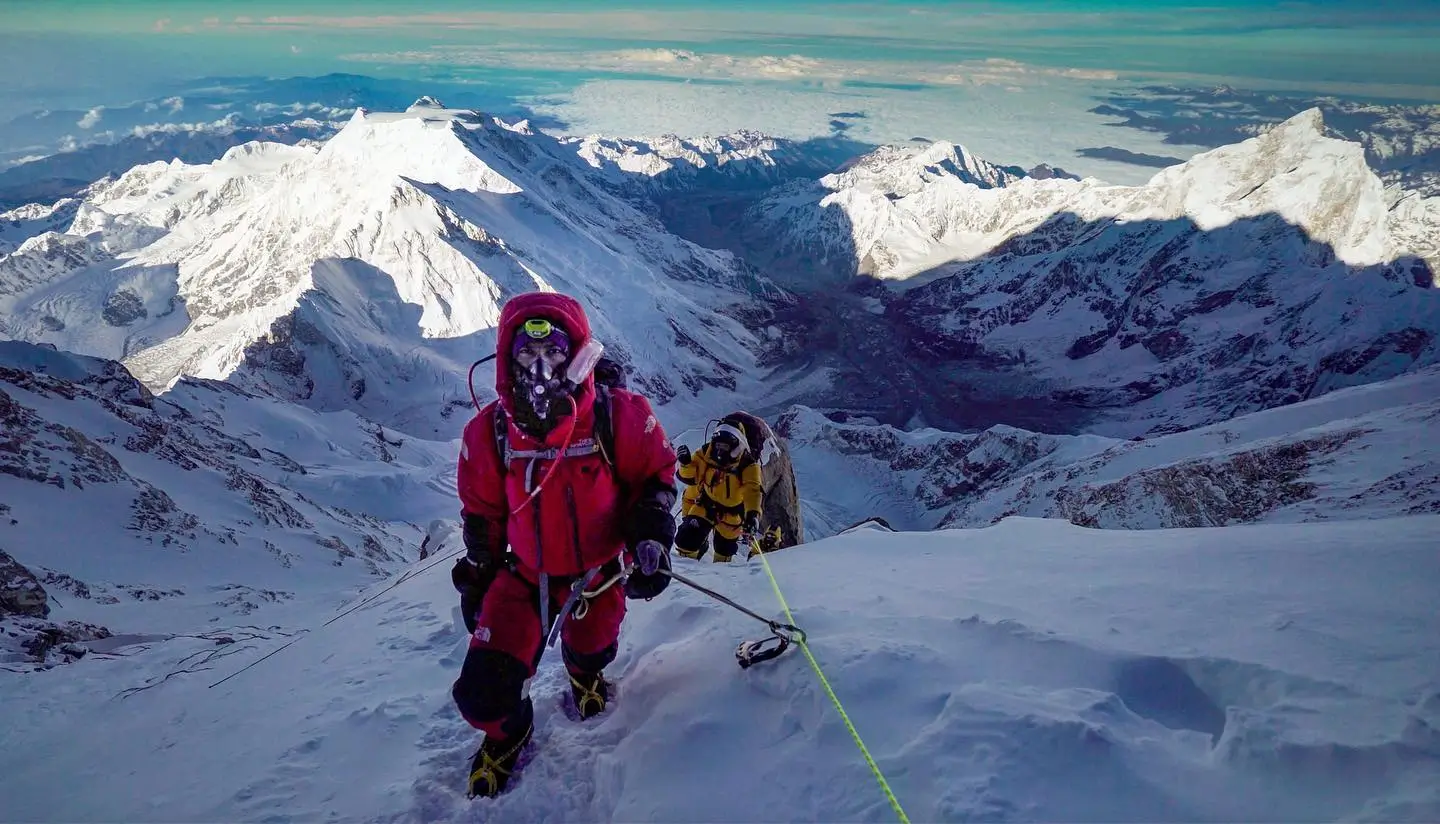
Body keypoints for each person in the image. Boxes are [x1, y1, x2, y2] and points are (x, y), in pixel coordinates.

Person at [449, 291, 678, 799]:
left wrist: (650, 534)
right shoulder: (490, 434)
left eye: (553, 352)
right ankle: (511, 731)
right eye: (527, 354)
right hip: (526, 575)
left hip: (599, 573)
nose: (540, 366)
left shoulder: (617, 416)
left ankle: (583, 674)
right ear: (508, 360)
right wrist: (479, 578)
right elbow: (482, 515)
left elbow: (656, 475)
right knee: (482, 697)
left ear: (576, 356)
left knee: (595, 649)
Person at [674, 420, 763, 563]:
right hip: (706, 504)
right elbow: (692, 478)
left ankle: (717, 577)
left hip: (732, 514)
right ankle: (688, 567)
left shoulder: (748, 465)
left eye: (725, 446)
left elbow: (752, 490)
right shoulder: (706, 453)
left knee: (724, 552)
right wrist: (685, 464)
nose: (720, 450)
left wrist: (752, 514)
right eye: (718, 445)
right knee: (686, 540)